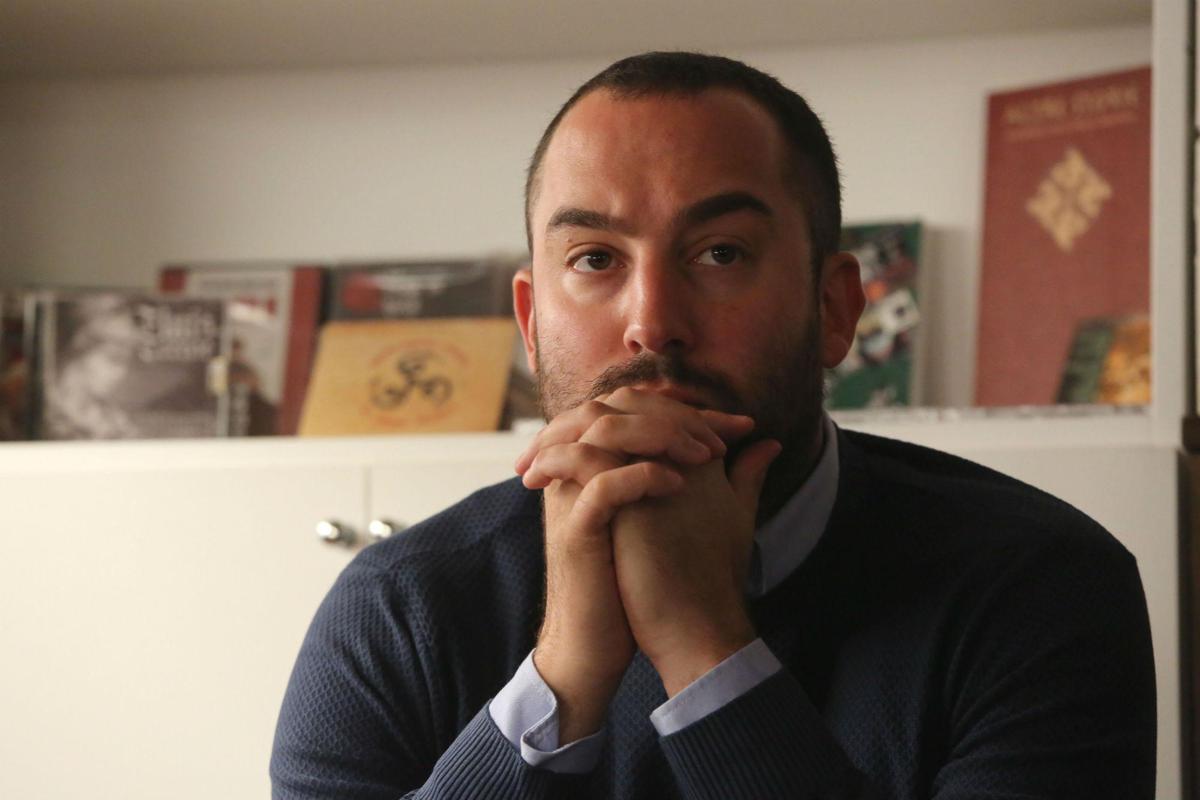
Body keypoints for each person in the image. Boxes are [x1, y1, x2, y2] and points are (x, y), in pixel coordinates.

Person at [271, 52, 1156, 799]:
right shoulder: (401, 606)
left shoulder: (1041, 588)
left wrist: (705, 647)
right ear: (532, 325)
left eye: (720, 253)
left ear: (834, 307)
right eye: (595, 259)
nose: (652, 323)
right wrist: (561, 677)